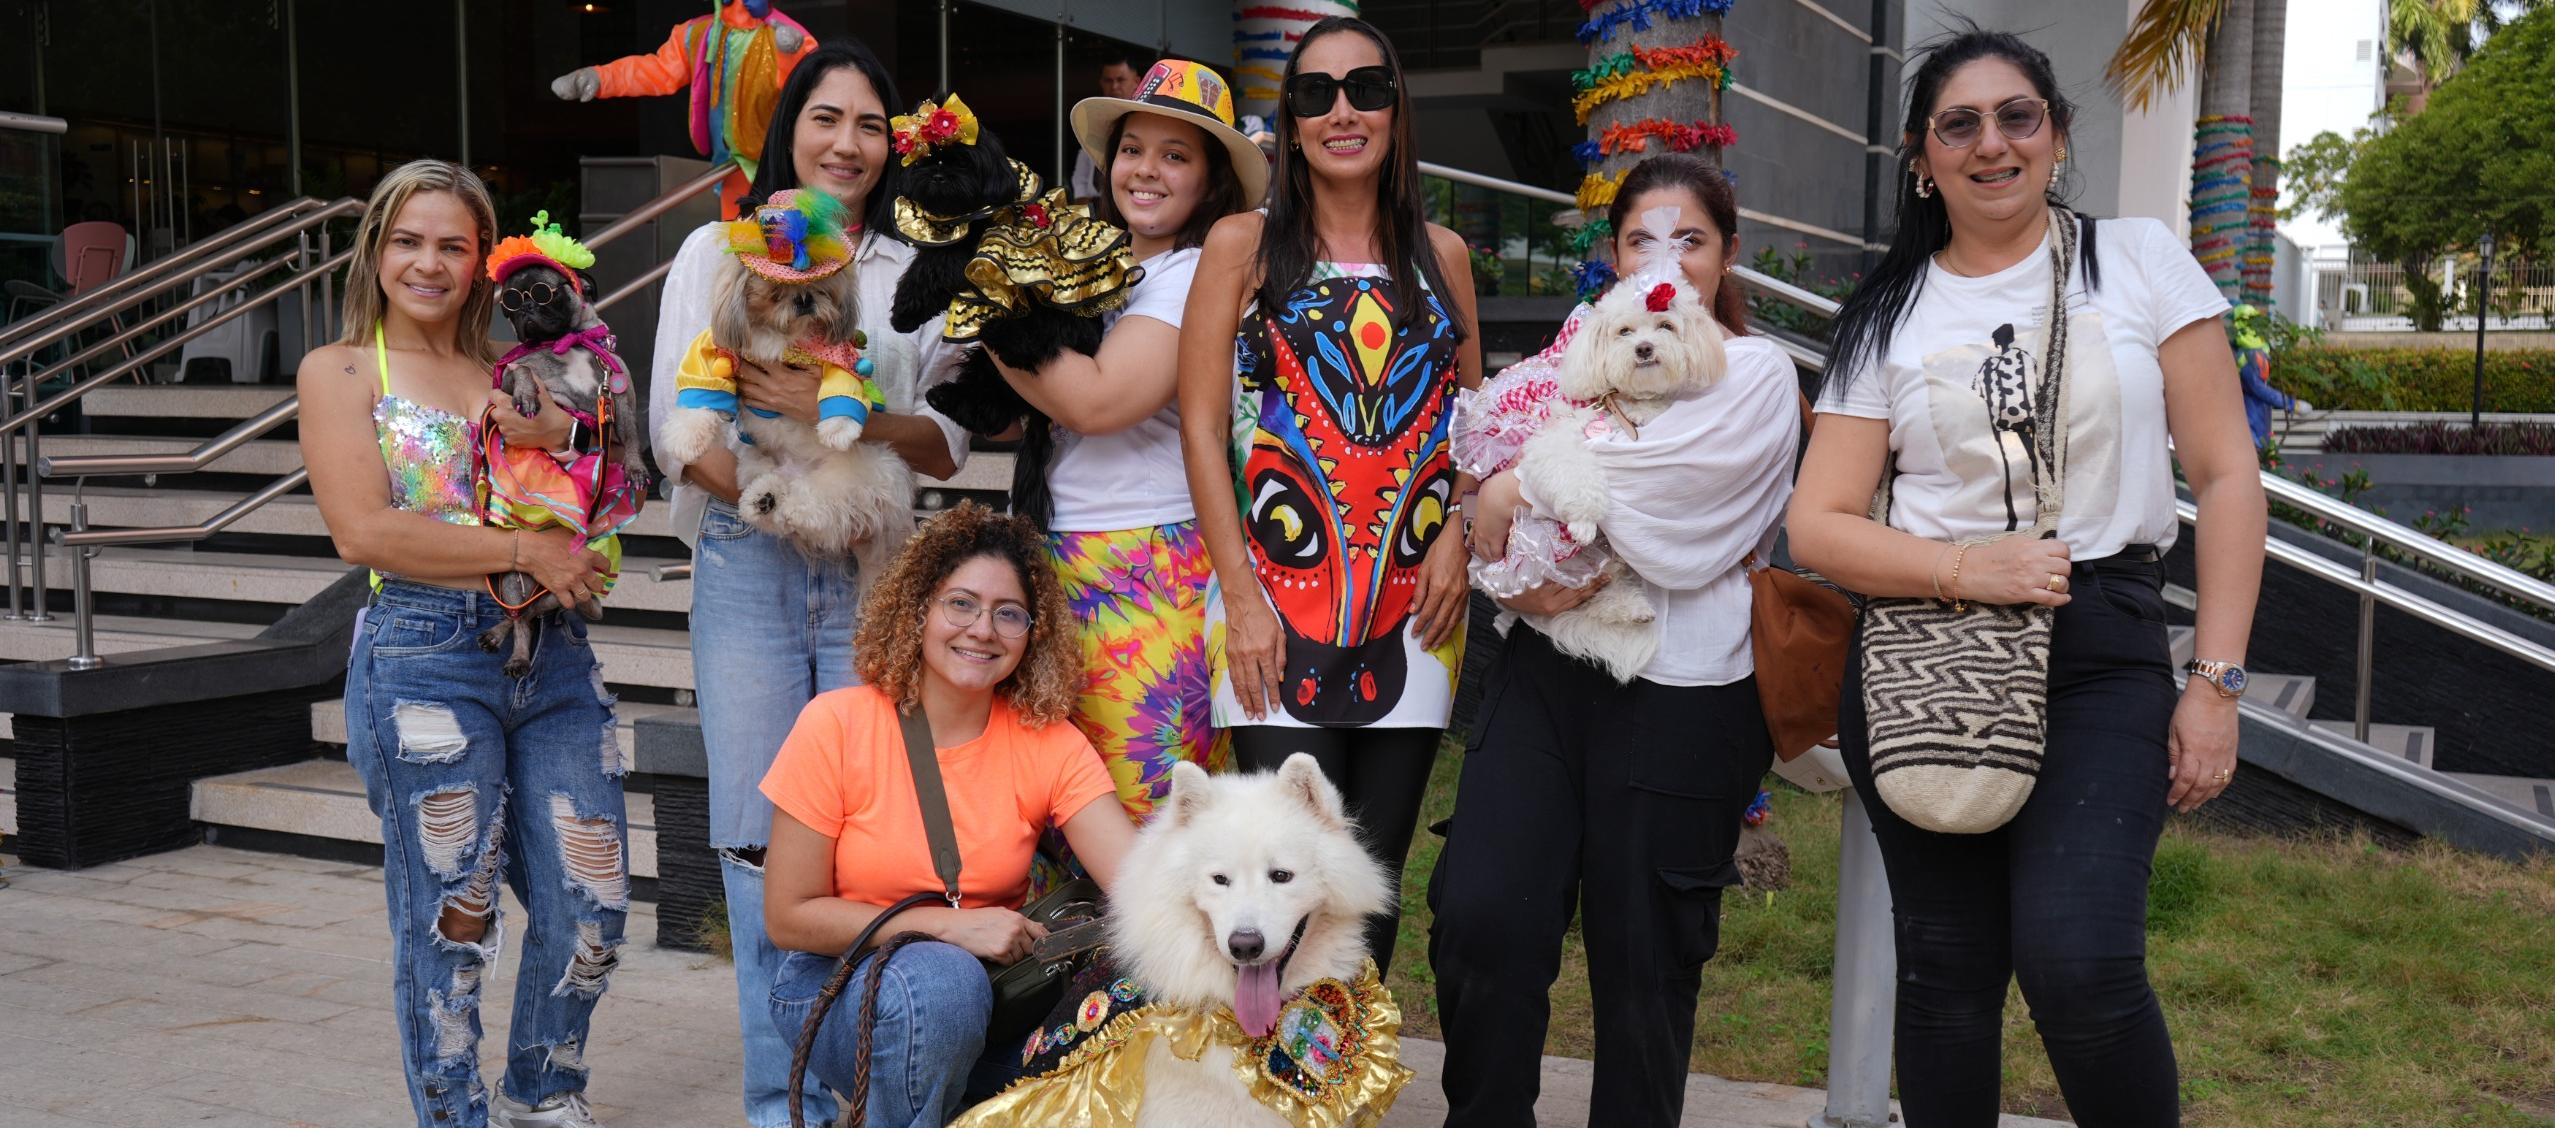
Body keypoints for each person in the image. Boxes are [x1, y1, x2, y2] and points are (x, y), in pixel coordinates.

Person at [1786, 27, 2267, 1127]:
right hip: (1926, 651)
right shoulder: (1887, 313)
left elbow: (2226, 474)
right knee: (1945, 976)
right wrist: (1966, 568)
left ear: (2055, 134)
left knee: (2079, 963)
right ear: (1921, 159)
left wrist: (2215, 682)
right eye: (1958, 125)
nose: (1990, 144)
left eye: (2017, 117)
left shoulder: (2135, 261)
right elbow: (1815, 523)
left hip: (2101, 642)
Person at [644, 39, 975, 1128]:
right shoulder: (715, 248)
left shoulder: (913, 272)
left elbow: (944, 442)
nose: (847, 143)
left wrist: (847, 417)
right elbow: (674, 425)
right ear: (788, 128)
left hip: (873, 559)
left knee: (866, 837)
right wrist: (773, 500)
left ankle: (863, 1092)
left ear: (892, 145)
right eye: (826, 118)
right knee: (755, 840)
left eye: (870, 124)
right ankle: (777, 1104)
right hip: (749, 558)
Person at [1426, 153, 1795, 1128]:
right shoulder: (1579, 360)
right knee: (1480, 914)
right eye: (1641, 239)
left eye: (1690, 239)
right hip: (1544, 670)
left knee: (1644, 965)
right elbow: (1499, 483)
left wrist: (1513, 486)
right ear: (1615, 254)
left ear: (1727, 254)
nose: (1665, 258)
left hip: (1684, 689)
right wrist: (1497, 502)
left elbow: (1667, 510)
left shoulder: (1756, 375)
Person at [300, 159, 623, 1128]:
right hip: (422, 654)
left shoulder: (518, 372)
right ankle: (454, 1116)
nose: (428, 263)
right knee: (454, 914)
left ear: (484, 260)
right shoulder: (341, 370)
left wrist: (582, 512)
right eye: (407, 241)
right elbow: (363, 532)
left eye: (452, 245)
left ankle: (540, 1093)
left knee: (592, 900)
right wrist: (525, 548)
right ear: (375, 250)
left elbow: (594, 487)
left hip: (551, 651)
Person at [1176, 15, 1481, 976]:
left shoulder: (1445, 254)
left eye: (1366, 89)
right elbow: (1200, 427)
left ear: (1396, 108)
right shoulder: (1240, 246)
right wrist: (1240, 597)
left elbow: (1478, 425)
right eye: (1316, 93)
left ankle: (1346, 1070)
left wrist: (1459, 531)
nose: (1342, 112)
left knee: (1361, 897)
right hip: (1274, 602)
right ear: (1292, 121)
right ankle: (1270, 1073)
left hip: (1415, 614)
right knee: (1272, 887)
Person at [761, 503, 1138, 1127]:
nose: (982, 629)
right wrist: (948, 928)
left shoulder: (1048, 740)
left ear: (1032, 634)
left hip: (993, 994)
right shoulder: (837, 724)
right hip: (837, 983)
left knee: (1131, 994)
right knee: (943, 983)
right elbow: (788, 917)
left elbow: (1138, 883)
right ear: (919, 609)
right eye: (960, 604)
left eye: (1008, 613)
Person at [982, 58, 1266, 835]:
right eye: (1132, 149)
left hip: (1146, 565)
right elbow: (1029, 411)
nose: (1144, 170)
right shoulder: (1097, 267)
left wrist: (979, 299)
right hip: (1055, 551)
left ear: (1210, 179)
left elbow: (1096, 401)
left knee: (1147, 816)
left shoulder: (1194, 271)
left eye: (1175, 156)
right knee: (1054, 811)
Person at [1069, 50, 1147, 203]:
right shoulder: (1094, 121)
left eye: (1121, 80)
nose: (1114, 86)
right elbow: (1080, 180)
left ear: (1137, 82)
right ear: (1101, 82)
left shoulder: (1148, 121)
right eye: (1108, 80)